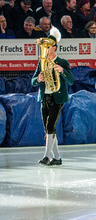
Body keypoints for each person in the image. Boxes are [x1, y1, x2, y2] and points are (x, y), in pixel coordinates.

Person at [31, 28, 74, 166]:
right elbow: (33, 82)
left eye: (48, 46)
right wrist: (38, 79)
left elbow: (71, 81)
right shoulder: (42, 62)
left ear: (54, 47)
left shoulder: (62, 62)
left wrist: (62, 71)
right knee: (48, 129)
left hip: (57, 98)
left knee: (50, 127)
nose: (45, 48)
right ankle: (57, 157)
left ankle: (46, 156)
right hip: (45, 97)